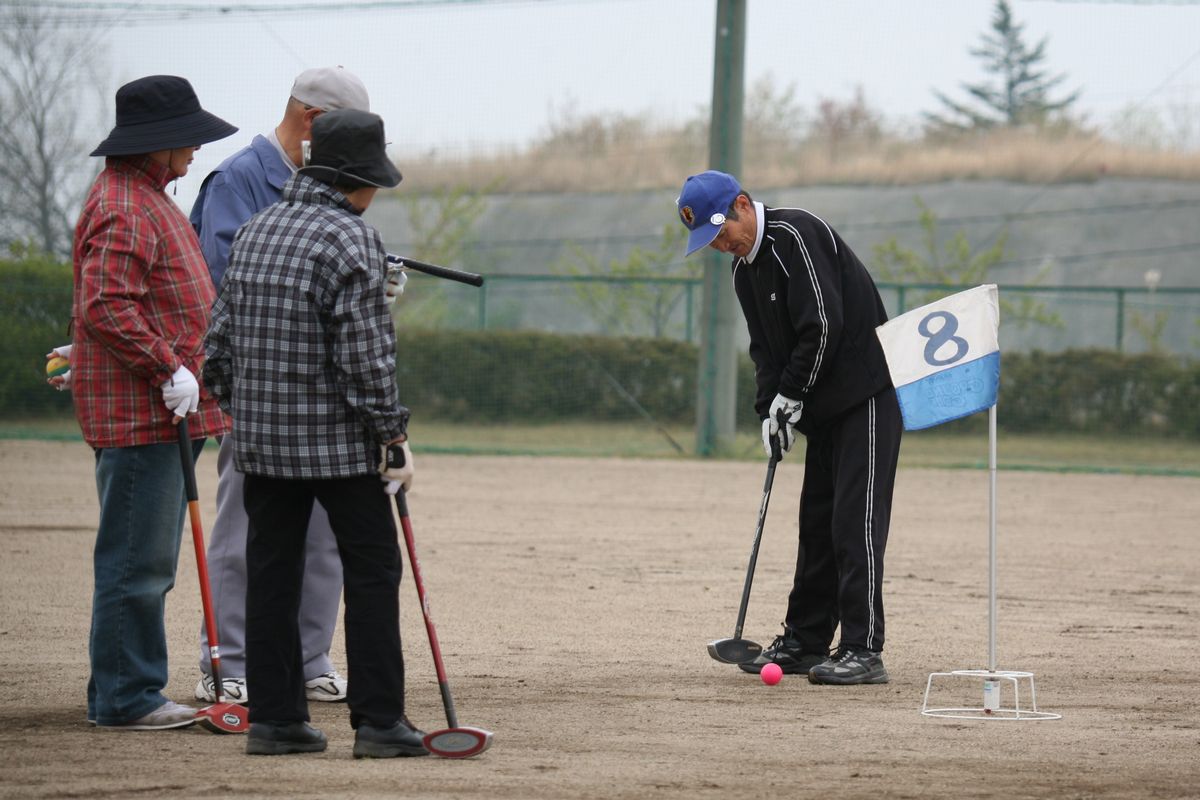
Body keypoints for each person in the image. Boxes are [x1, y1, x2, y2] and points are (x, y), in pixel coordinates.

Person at [204, 108, 427, 757]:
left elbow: (216, 351)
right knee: (372, 570)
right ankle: (380, 721)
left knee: (271, 571)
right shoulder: (352, 241)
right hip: (340, 449)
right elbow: (365, 362)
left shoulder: (254, 232)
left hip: (261, 446)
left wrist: (251, 410)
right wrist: (392, 436)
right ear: (353, 181)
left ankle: (274, 720)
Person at [677, 170, 903, 685]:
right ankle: (804, 640)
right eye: (708, 239)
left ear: (742, 204)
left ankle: (863, 649)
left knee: (855, 521)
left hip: (866, 397)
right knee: (816, 523)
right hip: (822, 409)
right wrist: (769, 411)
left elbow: (823, 324)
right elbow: (766, 351)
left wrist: (792, 394)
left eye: (719, 230)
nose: (718, 244)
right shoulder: (743, 273)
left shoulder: (795, 235)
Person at [71, 74, 237, 729]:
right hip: (145, 416)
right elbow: (106, 303)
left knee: (147, 560)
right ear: (158, 145)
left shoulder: (144, 196)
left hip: (161, 413)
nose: (195, 152)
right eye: (188, 140)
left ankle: (123, 689)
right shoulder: (125, 204)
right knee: (138, 564)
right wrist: (168, 363)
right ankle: (126, 696)